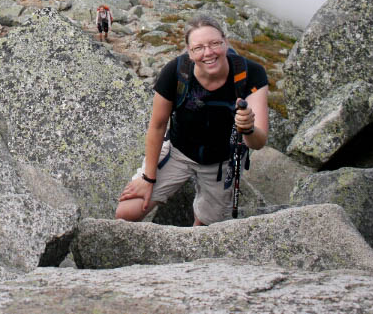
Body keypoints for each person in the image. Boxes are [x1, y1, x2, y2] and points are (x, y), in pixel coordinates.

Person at [115, 15, 269, 226]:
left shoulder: (251, 74)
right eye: (198, 48)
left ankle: (188, 254)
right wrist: (148, 178)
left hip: (222, 161)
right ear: (189, 51)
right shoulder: (175, 73)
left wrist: (248, 129)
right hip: (178, 152)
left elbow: (258, 142)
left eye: (215, 43)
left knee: (206, 227)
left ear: (226, 41)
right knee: (126, 212)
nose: (208, 53)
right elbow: (157, 126)